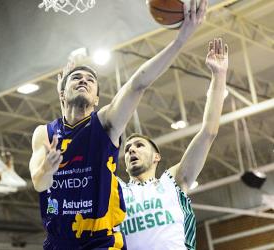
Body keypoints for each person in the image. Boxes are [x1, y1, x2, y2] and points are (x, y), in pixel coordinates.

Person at [28, 0, 207, 248]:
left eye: (90, 79)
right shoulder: (45, 134)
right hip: (60, 242)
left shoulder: (105, 124)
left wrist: (180, 40)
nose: (84, 80)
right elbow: (39, 183)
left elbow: (137, 84)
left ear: (97, 98)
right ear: (62, 93)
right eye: (76, 77)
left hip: (101, 241)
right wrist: (47, 168)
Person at [119, 37, 228, 250]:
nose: (131, 148)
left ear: (156, 157)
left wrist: (219, 75)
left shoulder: (172, 182)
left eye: (140, 145)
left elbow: (209, 132)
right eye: (128, 149)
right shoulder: (117, 191)